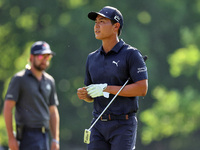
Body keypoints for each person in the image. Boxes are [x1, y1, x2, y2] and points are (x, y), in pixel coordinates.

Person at [77, 6, 148, 150]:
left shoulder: (131, 54)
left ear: (116, 26)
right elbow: (92, 96)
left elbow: (142, 88)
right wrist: (86, 95)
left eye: (102, 21)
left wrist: (106, 88)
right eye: (96, 22)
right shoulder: (92, 58)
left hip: (123, 124)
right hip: (98, 123)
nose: (96, 26)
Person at [3, 41, 60, 150]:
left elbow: (53, 111)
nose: (44, 59)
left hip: (44, 136)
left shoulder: (49, 81)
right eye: (40, 56)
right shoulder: (19, 79)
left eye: (47, 56)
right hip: (26, 136)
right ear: (31, 57)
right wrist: (11, 138)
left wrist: (55, 139)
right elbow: (8, 108)